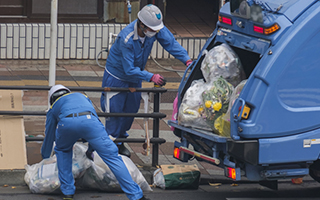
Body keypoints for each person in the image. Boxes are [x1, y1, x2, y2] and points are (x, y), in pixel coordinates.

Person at [100, 4, 193, 157]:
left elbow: (170, 43)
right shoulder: (127, 38)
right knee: (114, 112)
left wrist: (186, 60)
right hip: (117, 77)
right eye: (152, 29)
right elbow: (128, 69)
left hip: (136, 76)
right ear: (142, 24)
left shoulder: (154, 28)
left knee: (131, 109)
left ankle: (120, 141)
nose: (155, 32)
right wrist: (151, 76)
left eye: (156, 30)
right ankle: (111, 146)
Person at [41, 84, 150, 200]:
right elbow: (95, 120)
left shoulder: (54, 107)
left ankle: (68, 192)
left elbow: (49, 135)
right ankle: (136, 195)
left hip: (67, 124)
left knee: (62, 150)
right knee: (112, 157)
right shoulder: (82, 96)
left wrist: (45, 156)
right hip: (90, 122)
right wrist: (90, 150)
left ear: (52, 98)